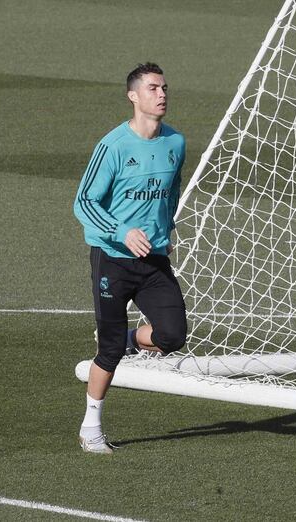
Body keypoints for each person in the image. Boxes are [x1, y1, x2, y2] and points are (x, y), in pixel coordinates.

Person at [73, 62, 187, 454]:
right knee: (107, 353)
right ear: (133, 95)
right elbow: (83, 202)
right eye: (153, 88)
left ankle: (127, 338)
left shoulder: (176, 143)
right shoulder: (113, 146)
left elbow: (170, 193)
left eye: (165, 88)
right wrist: (122, 231)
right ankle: (91, 427)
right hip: (113, 260)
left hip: (153, 260)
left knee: (173, 335)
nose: (162, 94)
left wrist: (164, 232)